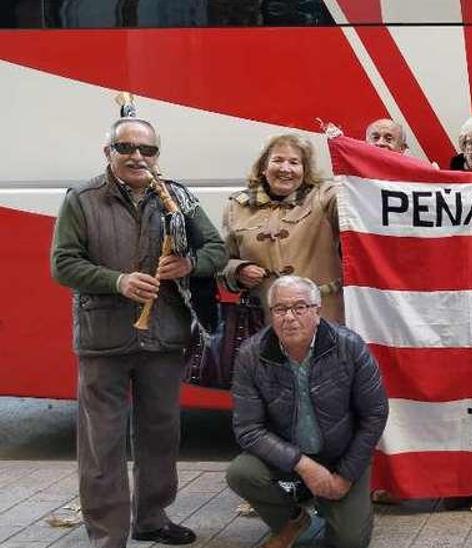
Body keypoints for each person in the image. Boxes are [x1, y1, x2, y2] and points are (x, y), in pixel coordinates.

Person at [51, 117, 227, 547]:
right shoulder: (82, 199)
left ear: (157, 156)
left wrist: (190, 265)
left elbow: (216, 250)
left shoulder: (178, 197)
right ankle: (108, 536)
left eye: (147, 150)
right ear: (107, 151)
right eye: (126, 147)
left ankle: (151, 518)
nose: (137, 157)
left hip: (163, 336)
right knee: (102, 445)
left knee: (161, 434)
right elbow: (63, 264)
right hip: (104, 338)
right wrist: (118, 281)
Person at [226, 276, 389, 548]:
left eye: (299, 307)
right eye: (280, 309)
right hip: (288, 459)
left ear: (317, 311)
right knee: (241, 473)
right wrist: (303, 464)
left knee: (349, 541)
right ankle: (293, 519)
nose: (289, 317)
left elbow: (375, 414)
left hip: (341, 457)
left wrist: (345, 476)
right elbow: (248, 429)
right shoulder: (251, 354)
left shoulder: (349, 347)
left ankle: (331, 503)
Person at [222, 133, 344, 323]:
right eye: (278, 160)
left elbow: (357, 201)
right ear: (264, 167)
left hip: (321, 319)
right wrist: (238, 271)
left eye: (294, 163)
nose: (285, 169)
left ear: (305, 170)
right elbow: (223, 261)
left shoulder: (325, 197)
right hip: (265, 322)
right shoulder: (237, 206)